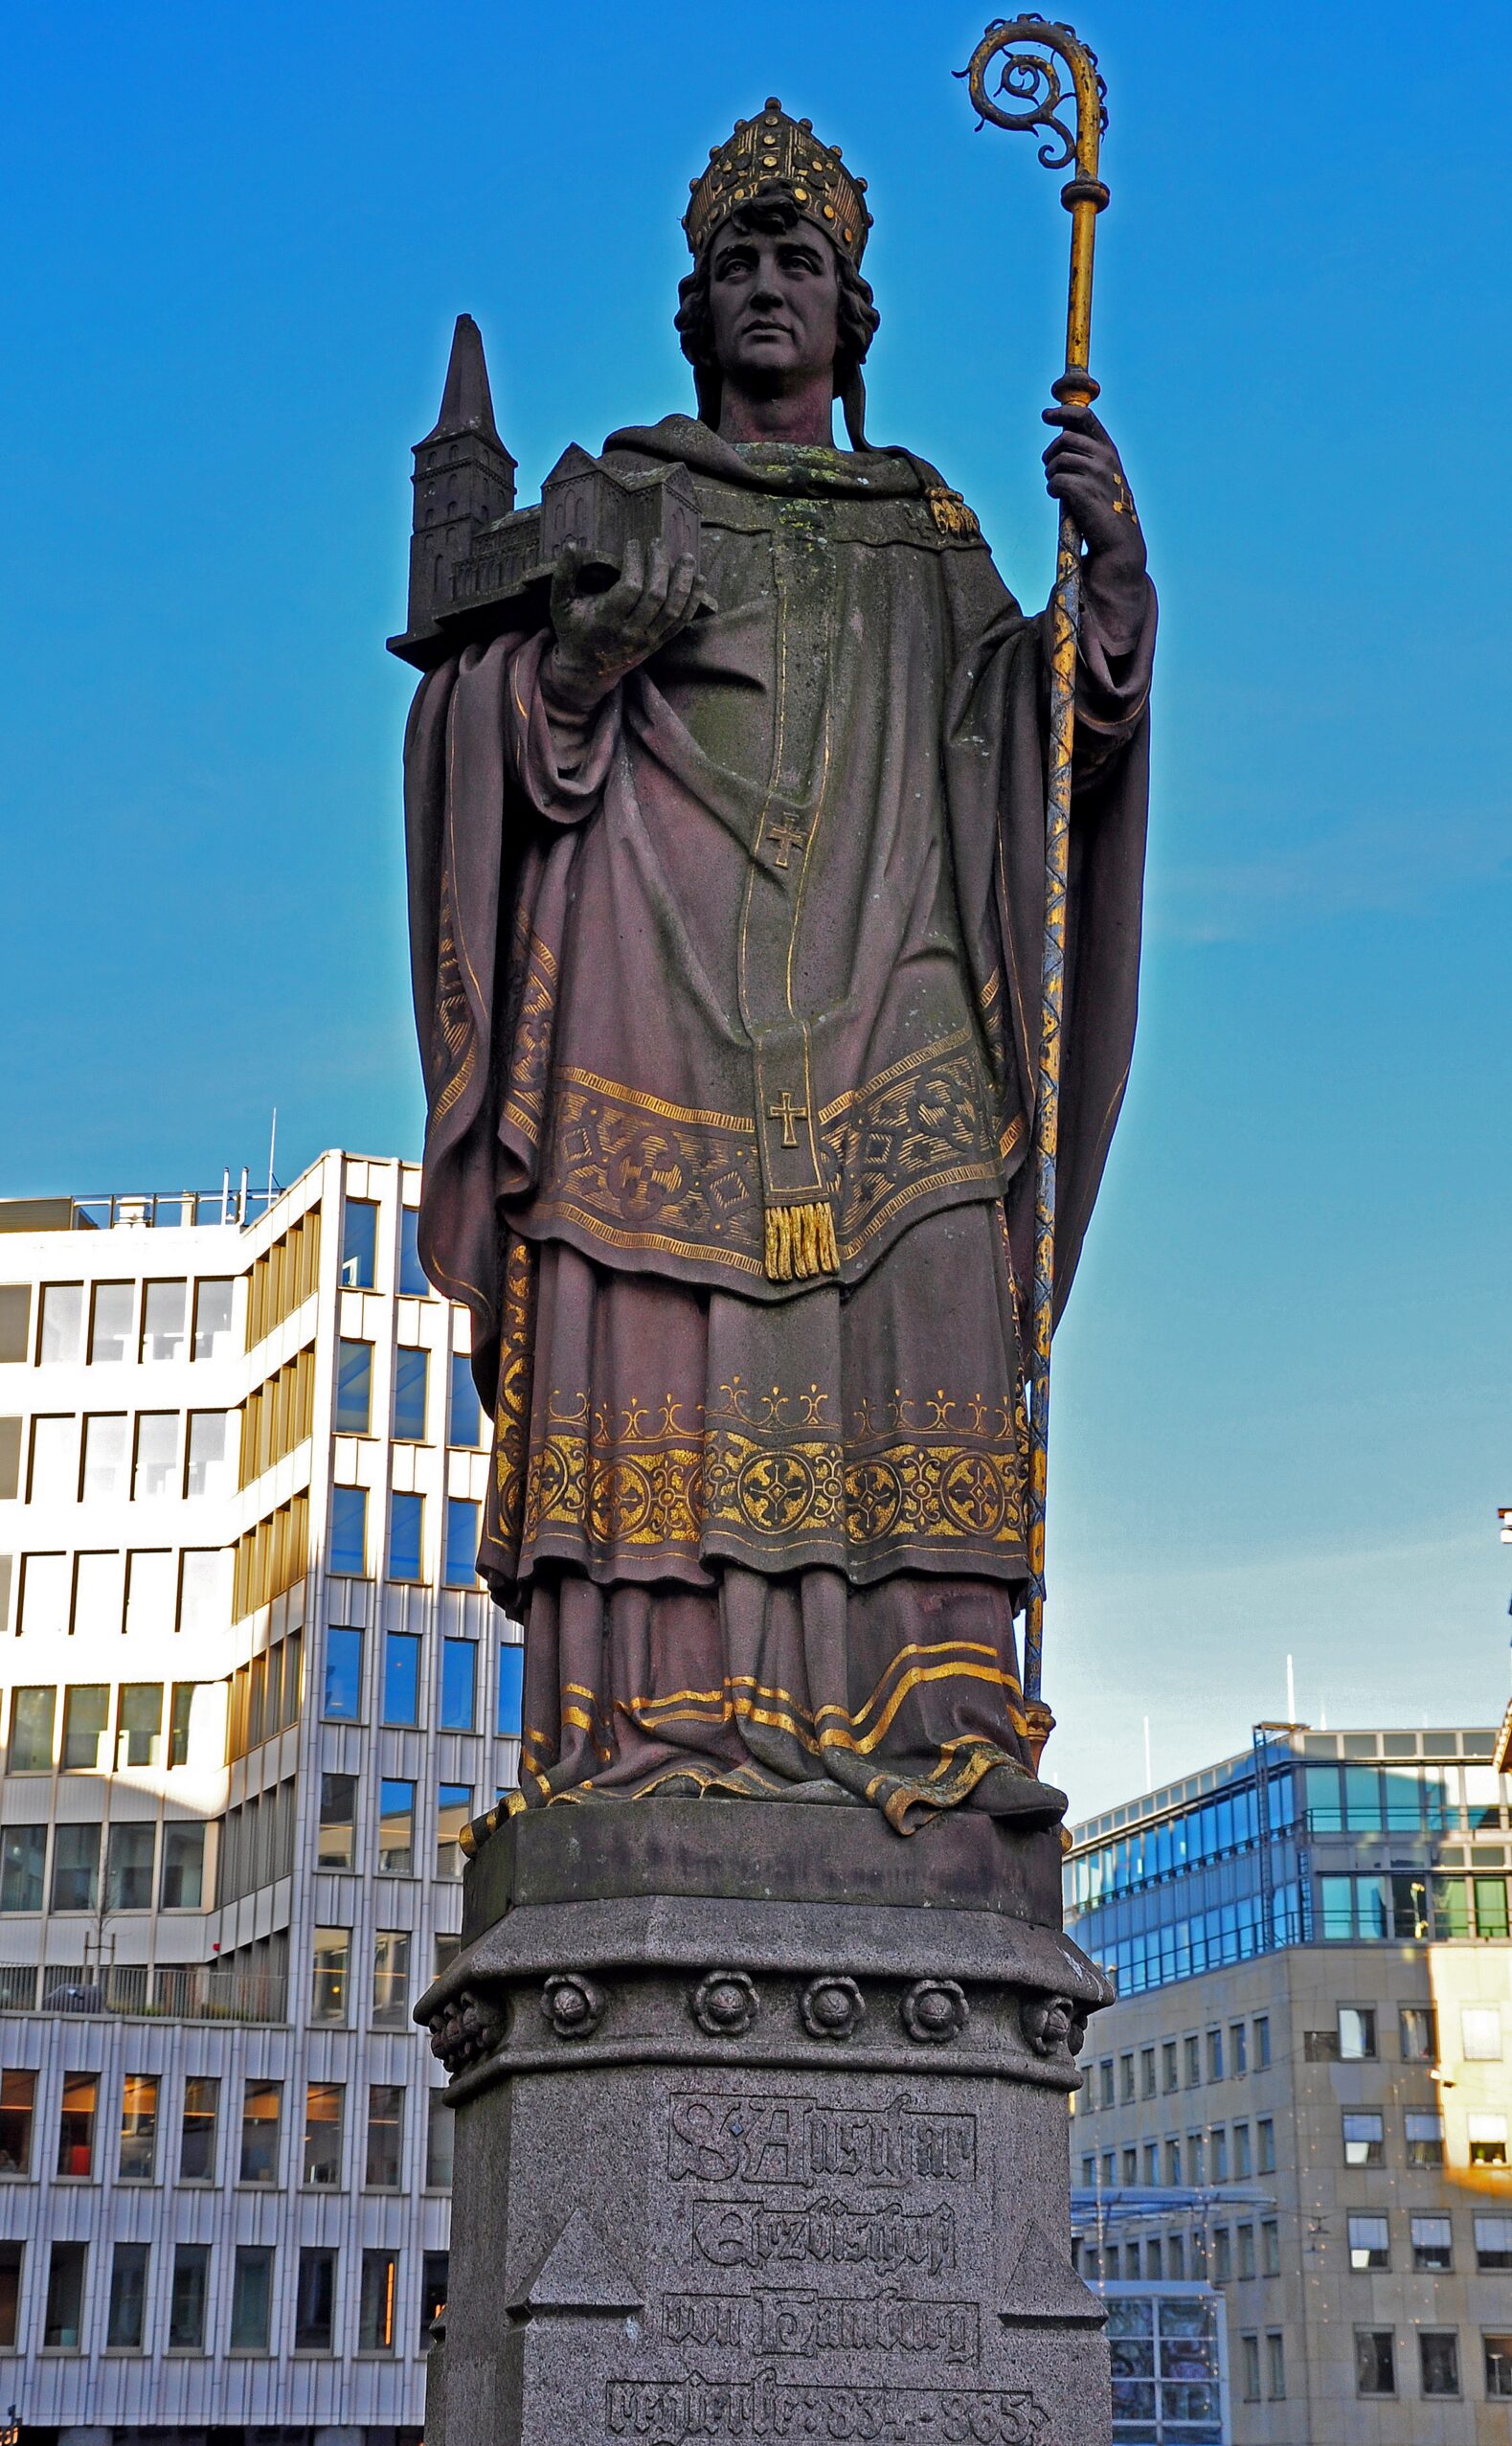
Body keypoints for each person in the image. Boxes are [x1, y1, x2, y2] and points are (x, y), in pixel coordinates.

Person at [404, 102, 1154, 1836]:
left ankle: (941, 1722)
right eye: (737, 261)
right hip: (649, 1002)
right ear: (696, 310)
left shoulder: (925, 530)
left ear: (847, 313)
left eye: (796, 260)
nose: (764, 284)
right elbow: (467, 719)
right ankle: (653, 1734)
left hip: (894, 1003)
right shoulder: (626, 496)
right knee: (651, 1330)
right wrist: (573, 672)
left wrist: (1106, 596)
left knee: (939, 1283)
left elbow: (1038, 751)